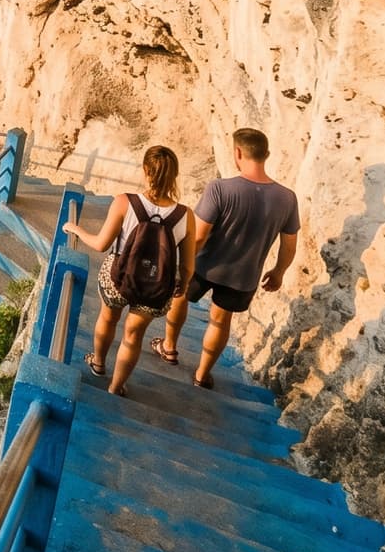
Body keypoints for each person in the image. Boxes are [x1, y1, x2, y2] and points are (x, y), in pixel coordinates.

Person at [161, 127, 300, 389]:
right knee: (221, 320)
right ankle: (202, 375)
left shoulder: (220, 189)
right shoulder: (287, 199)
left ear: (237, 152)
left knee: (180, 297)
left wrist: (181, 263)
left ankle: (169, 348)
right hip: (244, 275)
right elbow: (289, 245)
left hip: (205, 264)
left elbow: (199, 236)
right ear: (266, 154)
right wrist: (279, 271)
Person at [61, 145, 193, 398]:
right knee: (133, 336)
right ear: (175, 175)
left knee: (108, 319)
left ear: (145, 171)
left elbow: (101, 244)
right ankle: (116, 386)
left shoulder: (125, 202)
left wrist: (76, 229)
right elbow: (187, 265)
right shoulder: (185, 215)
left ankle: (98, 363)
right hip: (155, 288)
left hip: (118, 279)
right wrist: (182, 285)